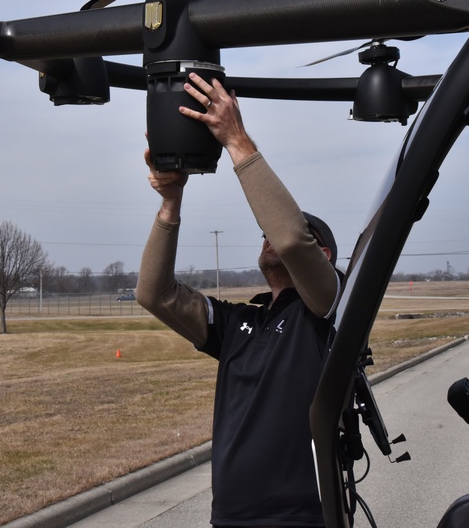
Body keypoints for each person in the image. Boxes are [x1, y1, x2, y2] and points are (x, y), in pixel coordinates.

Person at [136, 72, 341, 527]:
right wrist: (171, 202)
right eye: (262, 232)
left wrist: (236, 139)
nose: (269, 237)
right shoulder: (239, 322)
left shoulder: (325, 310)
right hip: (229, 518)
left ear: (322, 256)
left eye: (280, 232)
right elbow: (154, 293)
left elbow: (291, 238)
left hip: (300, 519)